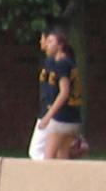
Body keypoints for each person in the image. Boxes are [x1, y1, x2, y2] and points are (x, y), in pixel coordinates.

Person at [33, 23, 84, 161]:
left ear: (60, 45)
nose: (47, 45)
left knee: (48, 159)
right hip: (74, 118)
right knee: (62, 157)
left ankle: (48, 183)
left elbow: (64, 92)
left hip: (61, 119)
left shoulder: (61, 64)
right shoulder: (70, 62)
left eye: (51, 41)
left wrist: (48, 116)